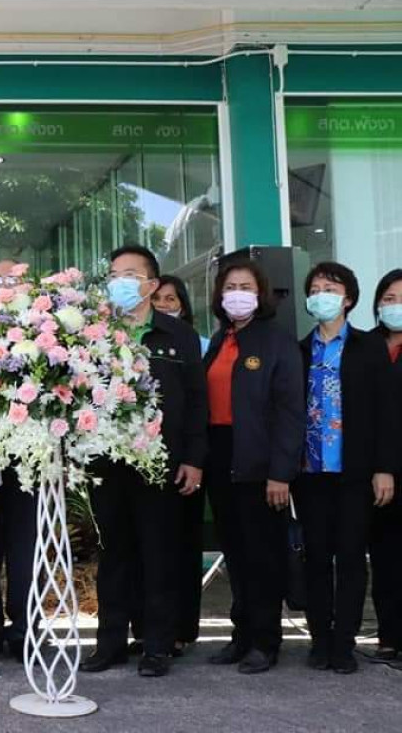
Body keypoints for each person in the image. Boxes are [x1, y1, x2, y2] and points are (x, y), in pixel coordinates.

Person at [82, 245, 207, 678]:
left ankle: (157, 645)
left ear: (152, 285)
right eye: (114, 274)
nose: (120, 281)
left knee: (159, 554)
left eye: (131, 274)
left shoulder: (178, 335)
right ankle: (110, 643)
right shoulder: (95, 333)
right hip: (107, 462)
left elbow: (196, 401)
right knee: (113, 554)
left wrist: (193, 458)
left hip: (160, 462)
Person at [202, 259, 304, 674]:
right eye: (230, 287)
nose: (237, 294)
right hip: (220, 456)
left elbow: (290, 412)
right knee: (236, 553)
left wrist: (281, 472)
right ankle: (241, 635)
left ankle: (265, 640)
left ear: (260, 294)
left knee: (263, 556)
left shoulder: (277, 341)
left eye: (246, 286)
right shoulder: (219, 339)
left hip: (261, 462)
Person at [295, 261, 395, 674]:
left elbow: (386, 411)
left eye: (331, 288)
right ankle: (320, 638)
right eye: (316, 288)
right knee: (316, 558)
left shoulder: (369, 347)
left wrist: (384, 468)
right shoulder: (300, 349)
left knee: (352, 558)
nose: (322, 295)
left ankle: (344, 643)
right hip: (310, 472)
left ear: (348, 299)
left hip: (355, 471)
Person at [145, 273, 209, 654]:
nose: (164, 305)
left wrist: (194, 456)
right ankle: (152, 630)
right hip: (145, 461)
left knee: (183, 548)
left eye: (171, 299)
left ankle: (182, 628)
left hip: (185, 458)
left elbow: (199, 401)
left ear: (183, 304)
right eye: (158, 299)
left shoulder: (195, 343)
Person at [0, 259, 38, 659]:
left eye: (14, 280)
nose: (5, 286)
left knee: (25, 548)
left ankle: (24, 630)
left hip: (30, 458)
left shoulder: (48, 333)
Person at [369, 269, 402, 665]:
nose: (395, 306)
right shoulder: (367, 346)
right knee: (385, 554)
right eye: (389, 298)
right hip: (377, 468)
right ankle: (389, 636)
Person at [153, 275, 210, 356]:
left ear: (183, 310)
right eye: (156, 298)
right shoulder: (138, 341)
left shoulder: (203, 346)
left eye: (170, 299)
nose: (161, 304)